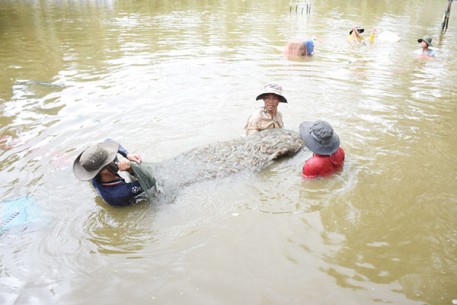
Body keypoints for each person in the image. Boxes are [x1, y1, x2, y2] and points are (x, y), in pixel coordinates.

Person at [73, 139, 144, 207]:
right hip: (122, 200)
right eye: (110, 161)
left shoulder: (94, 172)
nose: (113, 161)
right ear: (104, 172)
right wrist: (130, 169)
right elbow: (150, 181)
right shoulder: (120, 193)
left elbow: (108, 140)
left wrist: (127, 155)